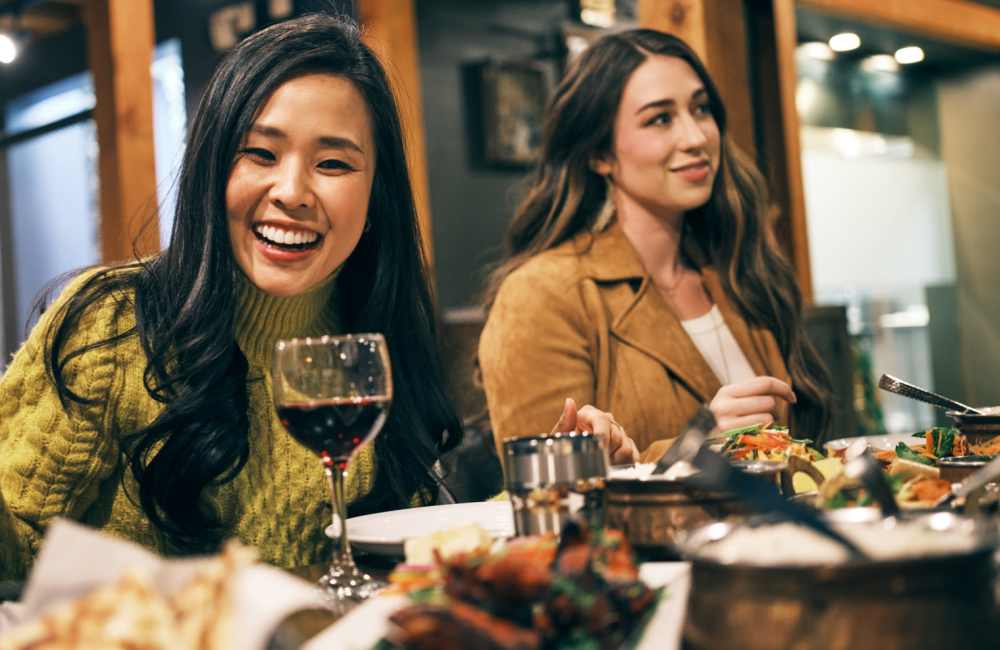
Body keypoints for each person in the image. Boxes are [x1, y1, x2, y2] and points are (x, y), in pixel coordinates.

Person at [0, 13, 631, 581]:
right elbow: (16, 547)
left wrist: (563, 488)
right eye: (260, 153)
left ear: (375, 194)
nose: (292, 192)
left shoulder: (370, 344)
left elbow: (414, 557)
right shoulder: (113, 324)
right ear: (212, 167)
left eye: (333, 164)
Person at [479, 29, 831, 463]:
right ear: (599, 154)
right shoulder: (541, 294)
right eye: (660, 119)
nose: (695, 137)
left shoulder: (737, 269)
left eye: (700, 109)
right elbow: (548, 484)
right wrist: (698, 442)